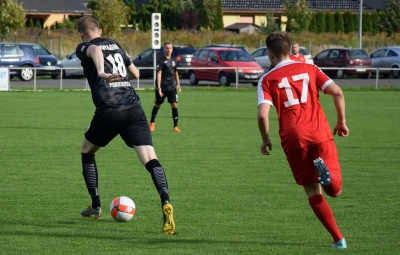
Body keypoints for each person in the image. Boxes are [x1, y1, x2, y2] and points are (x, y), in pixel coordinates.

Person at [75, 16, 175, 235]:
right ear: (100, 29)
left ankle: (96, 206)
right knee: (150, 158)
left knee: (86, 150)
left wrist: (102, 73)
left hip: (110, 110)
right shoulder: (116, 44)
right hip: (134, 108)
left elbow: (95, 51)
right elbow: (136, 73)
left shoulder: (84, 46)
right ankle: (166, 200)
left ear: (81, 34)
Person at [257, 32, 349, 249]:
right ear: (290, 49)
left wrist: (265, 138)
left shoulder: (266, 80)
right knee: (335, 191)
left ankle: (339, 239)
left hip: (292, 138)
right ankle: (327, 176)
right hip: (319, 131)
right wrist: (341, 122)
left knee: (312, 192)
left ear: (270, 54)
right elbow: (337, 93)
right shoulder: (310, 67)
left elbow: (262, 115)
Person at [149, 42, 182, 132]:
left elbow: (176, 72)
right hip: (162, 87)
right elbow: (159, 74)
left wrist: (178, 84)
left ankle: (175, 126)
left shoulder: (174, 61)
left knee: (174, 104)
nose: (169, 50)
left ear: (172, 49)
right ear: (164, 49)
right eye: (167, 48)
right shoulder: (161, 61)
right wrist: (159, 88)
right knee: (157, 105)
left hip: (171, 87)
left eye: (170, 48)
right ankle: (152, 122)